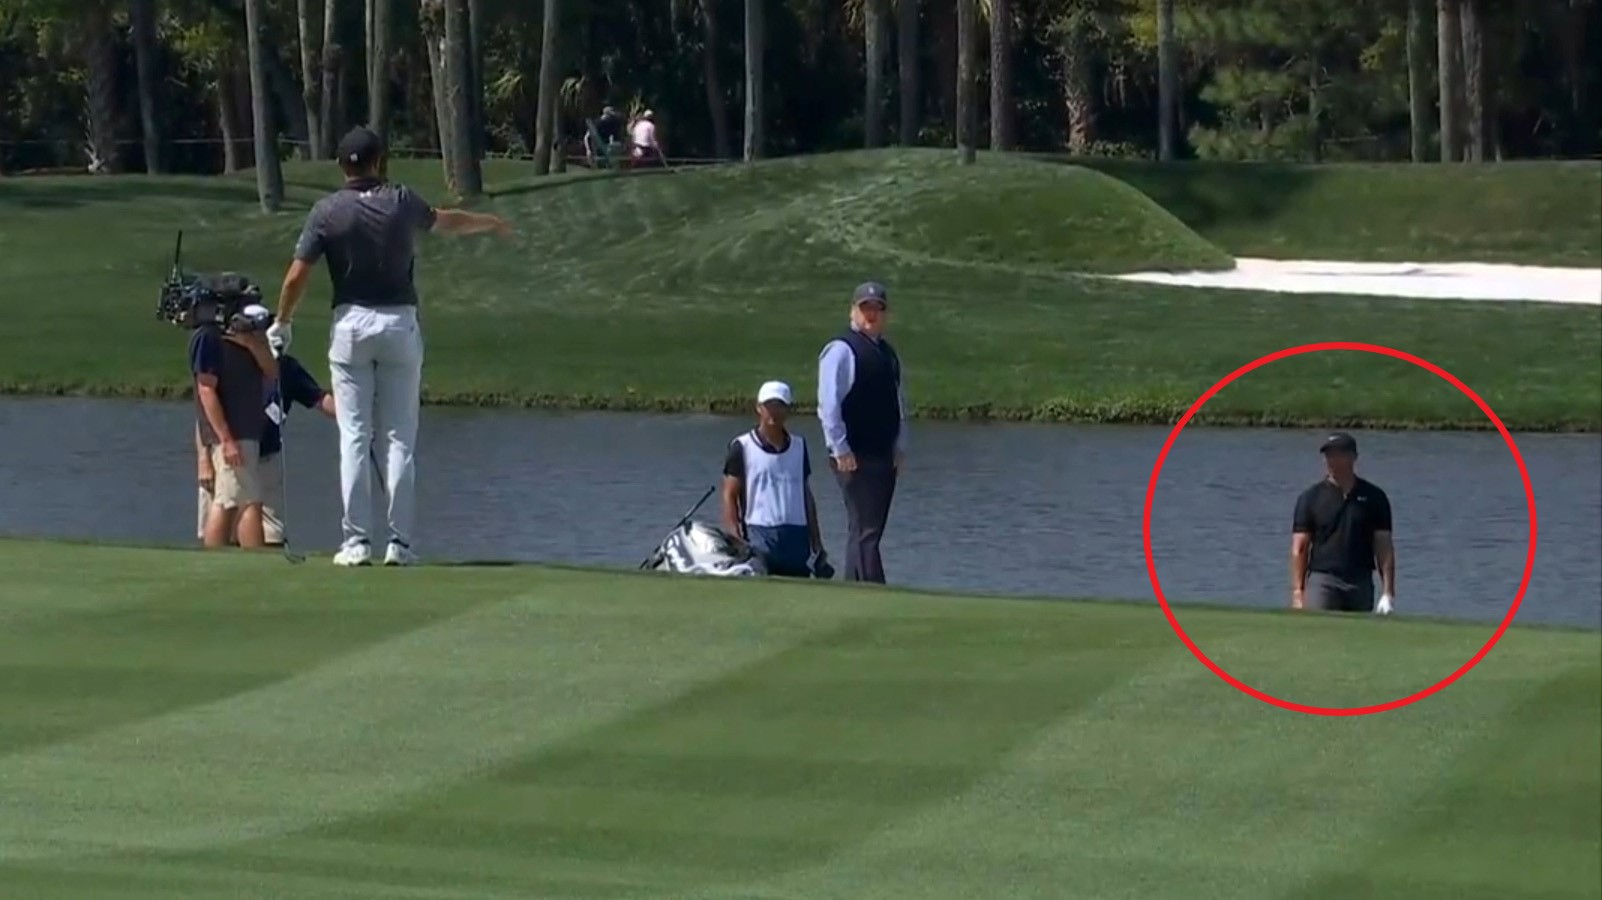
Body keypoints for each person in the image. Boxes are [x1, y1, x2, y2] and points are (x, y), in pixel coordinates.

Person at [268, 125, 513, 567]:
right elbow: (445, 222)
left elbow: (295, 276)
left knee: (355, 436)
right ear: (379, 161)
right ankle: (399, 544)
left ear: (343, 166)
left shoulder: (327, 211)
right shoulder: (400, 200)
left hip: (350, 326)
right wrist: (489, 223)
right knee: (399, 438)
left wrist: (282, 322)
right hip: (399, 323)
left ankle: (357, 542)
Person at [196, 325, 335, 547]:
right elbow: (205, 413)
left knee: (270, 531)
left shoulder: (287, 369)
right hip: (229, 450)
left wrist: (354, 420)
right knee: (227, 508)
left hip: (266, 456)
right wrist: (204, 460)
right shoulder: (233, 360)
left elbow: (319, 399)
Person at [817, 281, 906, 583]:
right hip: (854, 455)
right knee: (866, 528)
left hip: (883, 453)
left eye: (877, 309)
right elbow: (829, 404)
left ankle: (856, 588)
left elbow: (897, 403)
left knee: (869, 529)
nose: (871, 314)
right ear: (853, 311)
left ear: (885, 314)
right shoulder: (841, 350)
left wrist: (899, 447)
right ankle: (874, 588)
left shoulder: (888, 354)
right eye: (865, 308)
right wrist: (840, 448)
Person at [720, 380, 830, 578]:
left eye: (780, 406)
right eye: (769, 406)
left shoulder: (799, 446)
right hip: (758, 533)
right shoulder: (742, 446)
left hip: (796, 535)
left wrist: (817, 543)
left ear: (788, 410)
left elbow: (806, 495)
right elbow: (729, 495)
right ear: (759, 408)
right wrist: (735, 538)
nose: (774, 412)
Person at [191, 316, 277, 549]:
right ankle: (239, 561)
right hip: (233, 435)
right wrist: (226, 440)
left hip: (247, 433)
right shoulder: (211, 340)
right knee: (239, 501)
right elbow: (205, 392)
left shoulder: (249, 345)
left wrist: (252, 343)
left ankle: (226, 559)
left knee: (237, 499)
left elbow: (273, 371)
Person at [1290, 432, 1397, 614]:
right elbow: (1299, 548)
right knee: (1320, 630)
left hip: (1360, 581)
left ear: (1353, 457)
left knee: (1358, 637)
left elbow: (1384, 547)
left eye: (1338, 454)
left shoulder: (1374, 497)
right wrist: (1298, 592)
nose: (1332, 460)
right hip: (1323, 579)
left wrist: (1388, 592)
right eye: (1328, 455)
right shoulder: (1310, 498)